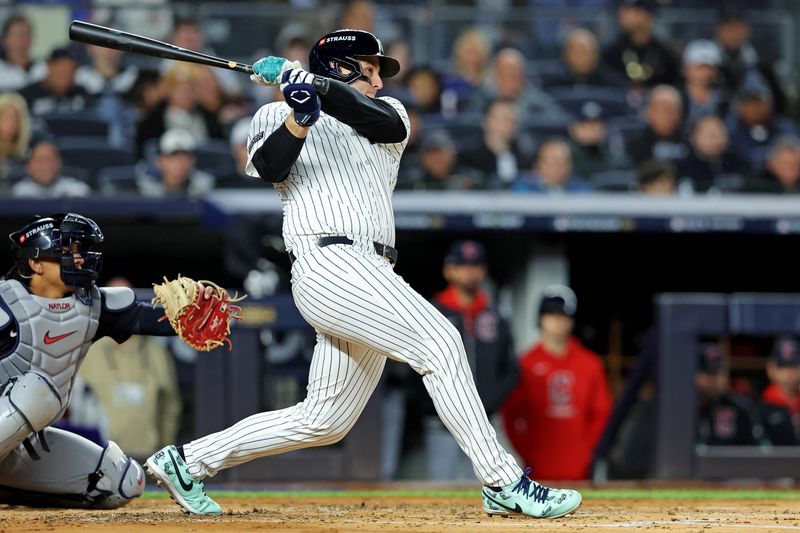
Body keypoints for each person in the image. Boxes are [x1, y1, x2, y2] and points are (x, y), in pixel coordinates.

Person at [145, 28, 582, 519]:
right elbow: (269, 166)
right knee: (440, 342)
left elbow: (379, 121)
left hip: (371, 268)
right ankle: (504, 481)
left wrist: (309, 83)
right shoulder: (274, 112)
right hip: (327, 262)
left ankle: (187, 461)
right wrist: (299, 117)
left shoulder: (389, 114)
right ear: (338, 66)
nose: (378, 81)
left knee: (325, 419)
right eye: (368, 70)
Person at [0, 213, 214, 508]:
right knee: (37, 392)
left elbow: (154, 319)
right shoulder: (5, 301)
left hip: (21, 441)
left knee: (121, 482)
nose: (77, 258)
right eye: (64, 251)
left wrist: (191, 311)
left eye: (78, 250)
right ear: (34, 263)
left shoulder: (92, 306)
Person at [415, 240, 520, 480]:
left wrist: (490, 402)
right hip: (441, 423)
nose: (469, 272)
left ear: (483, 270)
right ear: (448, 270)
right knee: (441, 491)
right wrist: (434, 404)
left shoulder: (494, 315)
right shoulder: (431, 312)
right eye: (462, 265)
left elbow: (511, 368)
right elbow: (414, 364)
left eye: (475, 265)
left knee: (487, 488)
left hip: (485, 423)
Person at [502, 285, 613, 480]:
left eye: (564, 316)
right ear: (541, 318)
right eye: (551, 315)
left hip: (580, 469)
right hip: (538, 468)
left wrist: (587, 451)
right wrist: (528, 452)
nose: (558, 321)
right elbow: (511, 414)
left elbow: (601, 412)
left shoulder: (589, 363)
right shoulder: (526, 364)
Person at [77, 277, 183, 461]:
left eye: (124, 302)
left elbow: (170, 406)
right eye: (112, 301)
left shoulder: (156, 353)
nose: (118, 309)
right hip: (97, 458)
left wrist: (164, 452)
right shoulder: (88, 351)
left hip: (148, 458)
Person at [10, 137, 92, 198]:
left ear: (59, 163)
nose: (45, 166)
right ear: (28, 166)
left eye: (50, 160)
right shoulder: (16, 194)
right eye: (40, 160)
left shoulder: (77, 191)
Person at [18, 46, 90, 116]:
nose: (66, 76)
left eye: (71, 71)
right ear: (50, 65)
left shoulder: (81, 94)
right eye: (62, 70)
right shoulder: (27, 96)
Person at [511, 138, 593, 193]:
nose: (558, 167)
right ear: (538, 165)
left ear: (570, 166)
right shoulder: (524, 189)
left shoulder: (581, 189)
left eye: (563, 162)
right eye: (553, 162)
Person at [762, 336, 800, 439]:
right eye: (783, 366)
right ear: (771, 369)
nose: (790, 372)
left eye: (794, 365)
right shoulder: (761, 406)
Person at [0, 14, 46, 92]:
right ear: (4, 39)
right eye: (17, 34)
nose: (23, 38)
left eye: (27, 33)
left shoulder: (44, 69)